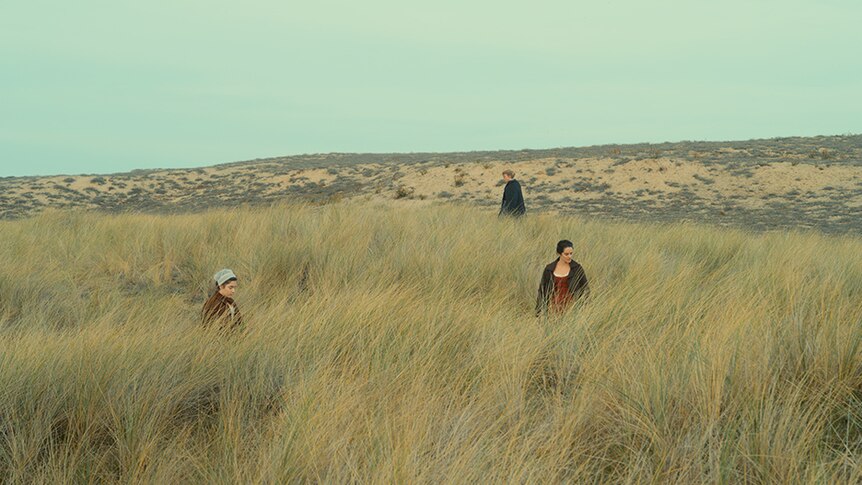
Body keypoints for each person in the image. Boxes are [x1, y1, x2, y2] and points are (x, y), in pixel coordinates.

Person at [536, 240, 589, 315]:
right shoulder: (549, 269)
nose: (569, 256)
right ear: (559, 254)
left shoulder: (577, 268)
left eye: (571, 253)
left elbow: (585, 288)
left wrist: (582, 306)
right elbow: (542, 290)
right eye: (566, 254)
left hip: (572, 308)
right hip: (552, 308)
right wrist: (539, 311)